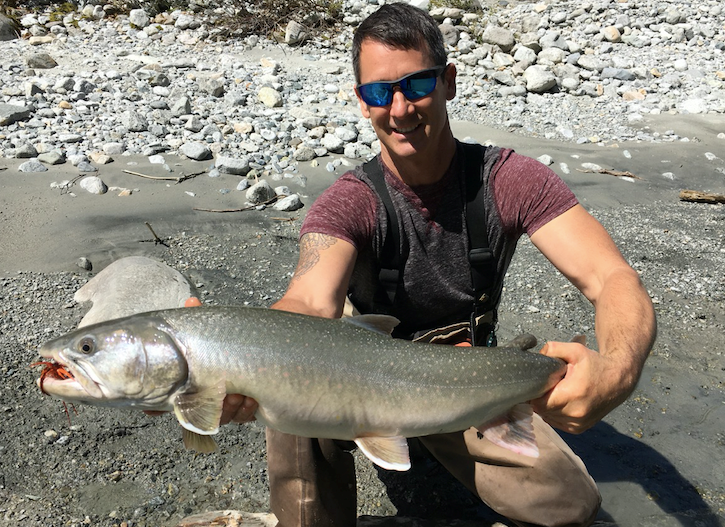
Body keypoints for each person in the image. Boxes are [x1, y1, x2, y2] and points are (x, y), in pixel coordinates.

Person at [220, 4, 657, 527]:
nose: (400, 109)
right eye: (380, 92)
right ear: (363, 102)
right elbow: (309, 300)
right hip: (358, 381)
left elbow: (612, 278)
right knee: (291, 364)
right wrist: (229, 355)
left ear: (448, 82)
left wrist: (618, 368)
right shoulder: (349, 202)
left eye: (417, 84)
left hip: (464, 380)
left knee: (570, 506)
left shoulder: (510, 181)